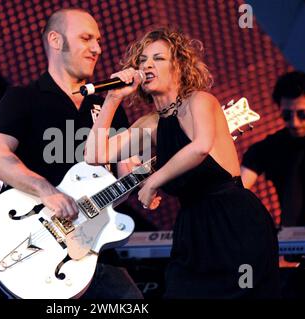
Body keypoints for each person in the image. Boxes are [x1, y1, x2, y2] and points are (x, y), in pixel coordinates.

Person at [85, 27, 280, 298]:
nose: (147, 65)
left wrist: (154, 180)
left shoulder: (200, 101)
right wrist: (113, 98)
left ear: (178, 66)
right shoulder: (151, 124)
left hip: (234, 221)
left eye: (158, 58)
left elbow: (199, 147)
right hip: (193, 227)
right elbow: (94, 155)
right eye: (142, 60)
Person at [0, 8, 142, 299]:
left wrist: (151, 177)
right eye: (86, 38)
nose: (97, 48)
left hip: (93, 250)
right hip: (34, 244)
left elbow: (126, 179)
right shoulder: (24, 97)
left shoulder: (107, 108)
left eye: (98, 40)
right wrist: (47, 191)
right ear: (56, 41)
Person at [241, 71, 305, 227]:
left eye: (303, 114)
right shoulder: (271, 146)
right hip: (292, 241)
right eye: (287, 115)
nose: (295, 123)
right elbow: (241, 184)